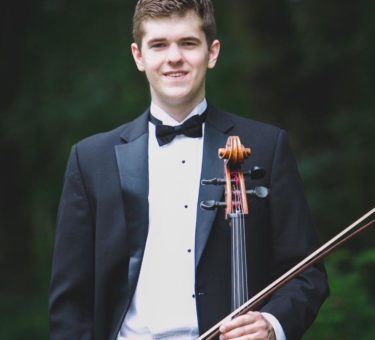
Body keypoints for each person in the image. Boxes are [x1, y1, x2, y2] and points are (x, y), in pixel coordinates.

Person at [48, 1, 329, 339]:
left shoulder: (266, 148)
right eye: (159, 45)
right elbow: (70, 304)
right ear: (139, 56)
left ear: (212, 52)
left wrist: (272, 324)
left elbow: (306, 273)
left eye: (188, 43)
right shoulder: (91, 159)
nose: (174, 57)